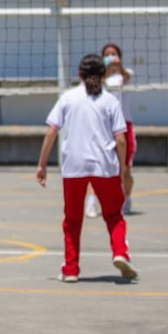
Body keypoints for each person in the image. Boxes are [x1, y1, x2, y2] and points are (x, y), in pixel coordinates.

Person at [36, 54, 137, 284]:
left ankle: (71, 270)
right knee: (113, 215)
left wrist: (42, 165)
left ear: (79, 74)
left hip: (74, 166)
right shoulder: (110, 101)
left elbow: (51, 132)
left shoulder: (68, 98)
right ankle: (120, 252)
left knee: (72, 221)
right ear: (103, 74)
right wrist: (121, 168)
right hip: (105, 165)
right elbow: (121, 140)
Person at [84, 42, 136, 217]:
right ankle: (91, 203)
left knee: (125, 168)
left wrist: (117, 66)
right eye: (107, 54)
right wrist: (105, 68)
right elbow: (95, 87)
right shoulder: (100, 78)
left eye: (113, 54)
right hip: (103, 126)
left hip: (124, 125)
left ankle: (126, 199)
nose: (111, 56)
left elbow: (126, 76)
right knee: (96, 166)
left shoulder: (125, 75)